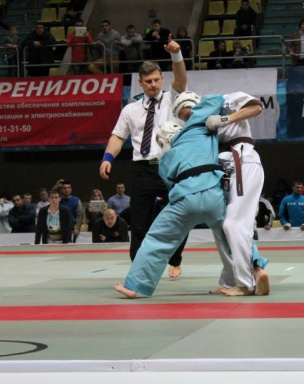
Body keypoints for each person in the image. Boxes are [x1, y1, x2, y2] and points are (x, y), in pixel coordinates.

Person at [114, 94, 265, 298]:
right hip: (214, 195)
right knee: (232, 230)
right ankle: (256, 267)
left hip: (185, 198)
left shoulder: (166, 158)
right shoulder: (201, 129)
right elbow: (212, 102)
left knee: (158, 238)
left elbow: (169, 184)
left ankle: (135, 285)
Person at [99, 36, 188, 278]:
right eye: (148, 81)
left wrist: (176, 54)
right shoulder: (131, 109)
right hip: (142, 169)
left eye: (157, 80)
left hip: (171, 166)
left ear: (162, 79)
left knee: (180, 213)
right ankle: (139, 267)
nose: (153, 85)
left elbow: (181, 79)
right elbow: (118, 137)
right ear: (140, 83)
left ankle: (175, 259)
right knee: (139, 221)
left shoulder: (172, 98)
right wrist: (107, 158)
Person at [198, 90, 270, 294]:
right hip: (224, 171)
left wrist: (224, 119)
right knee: (221, 226)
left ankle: (246, 283)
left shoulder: (227, 100)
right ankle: (231, 279)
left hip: (242, 163)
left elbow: (256, 107)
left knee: (234, 224)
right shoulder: (197, 123)